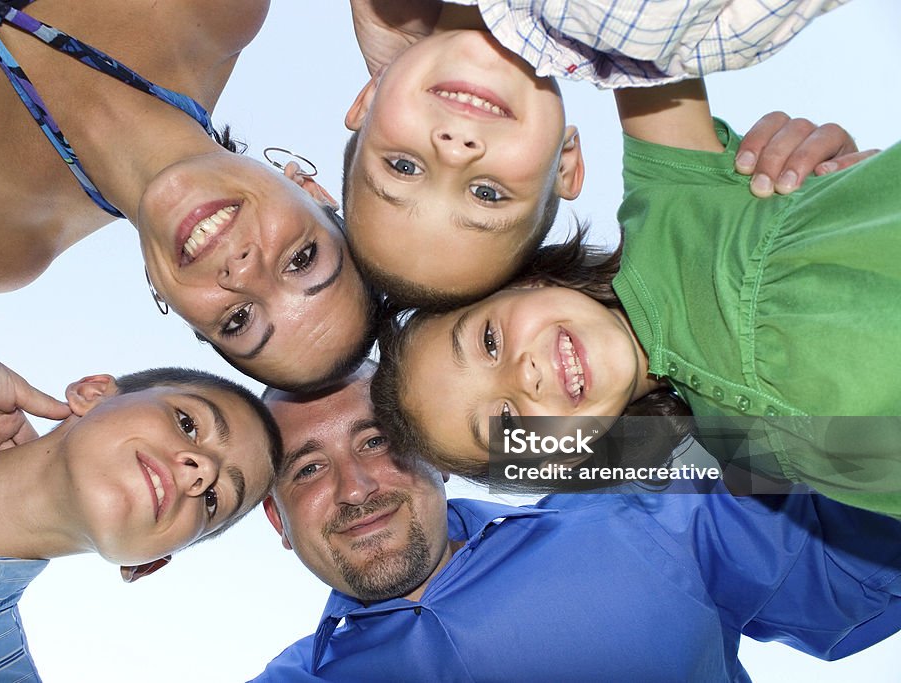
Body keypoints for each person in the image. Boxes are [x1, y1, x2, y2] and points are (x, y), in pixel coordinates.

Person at [371, 78, 901, 517]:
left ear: (525, 282)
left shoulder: (667, 195)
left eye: (489, 341)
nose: (524, 374)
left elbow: (638, 30)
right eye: (507, 425)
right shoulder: (744, 460)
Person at [253, 363, 901, 681]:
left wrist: (550, 445)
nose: (355, 487)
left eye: (377, 440)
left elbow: (865, 480)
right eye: (307, 469)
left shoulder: (634, 512)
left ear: (433, 452)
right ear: (276, 518)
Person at [0, 0, 377, 391]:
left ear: (178, 310)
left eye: (239, 319)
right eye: (301, 259)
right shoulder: (220, 13)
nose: (244, 271)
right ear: (310, 189)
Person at [340, 0, 864, 307]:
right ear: (566, 163)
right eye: (486, 193)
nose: (454, 153)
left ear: (367, 99)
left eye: (403, 167)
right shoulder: (670, 38)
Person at [0, 363, 280, 680]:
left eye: (212, 499)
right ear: (94, 394)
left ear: (150, 563)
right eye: (188, 423)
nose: (202, 469)